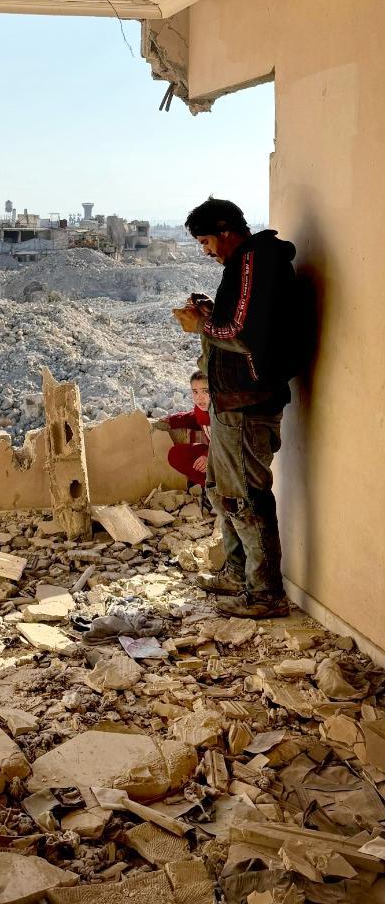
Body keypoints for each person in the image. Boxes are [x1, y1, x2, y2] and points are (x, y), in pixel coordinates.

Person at [173, 197, 299, 619]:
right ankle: (237, 573)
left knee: (246, 499)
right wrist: (211, 313)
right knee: (222, 492)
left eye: (206, 241)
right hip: (232, 402)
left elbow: (246, 335)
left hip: (248, 404)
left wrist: (200, 324)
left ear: (226, 231)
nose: (206, 251)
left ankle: (265, 594)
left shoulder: (254, 261)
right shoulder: (245, 265)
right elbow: (240, 323)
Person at [152, 372, 211, 488]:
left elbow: (232, 444)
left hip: (231, 460)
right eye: (195, 392)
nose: (199, 397)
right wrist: (171, 421)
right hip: (213, 454)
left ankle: (225, 492)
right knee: (177, 454)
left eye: (205, 391)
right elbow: (194, 417)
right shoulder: (201, 410)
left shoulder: (224, 413)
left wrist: (209, 457)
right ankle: (210, 487)